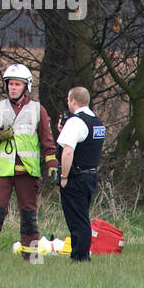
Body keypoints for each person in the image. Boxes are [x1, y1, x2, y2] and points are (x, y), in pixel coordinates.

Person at [0, 63, 58, 260]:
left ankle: (31, 257)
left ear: (26, 86)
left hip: (27, 173)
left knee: (29, 217)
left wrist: (52, 165)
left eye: (17, 84)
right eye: (10, 84)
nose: (12, 87)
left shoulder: (38, 110)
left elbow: (47, 140)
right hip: (2, 171)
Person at [57, 87, 105, 262]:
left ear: (73, 101)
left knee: (77, 219)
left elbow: (68, 151)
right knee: (82, 215)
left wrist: (64, 176)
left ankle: (80, 257)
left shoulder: (75, 122)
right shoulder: (96, 121)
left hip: (76, 176)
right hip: (91, 175)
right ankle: (81, 254)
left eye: (69, 100)